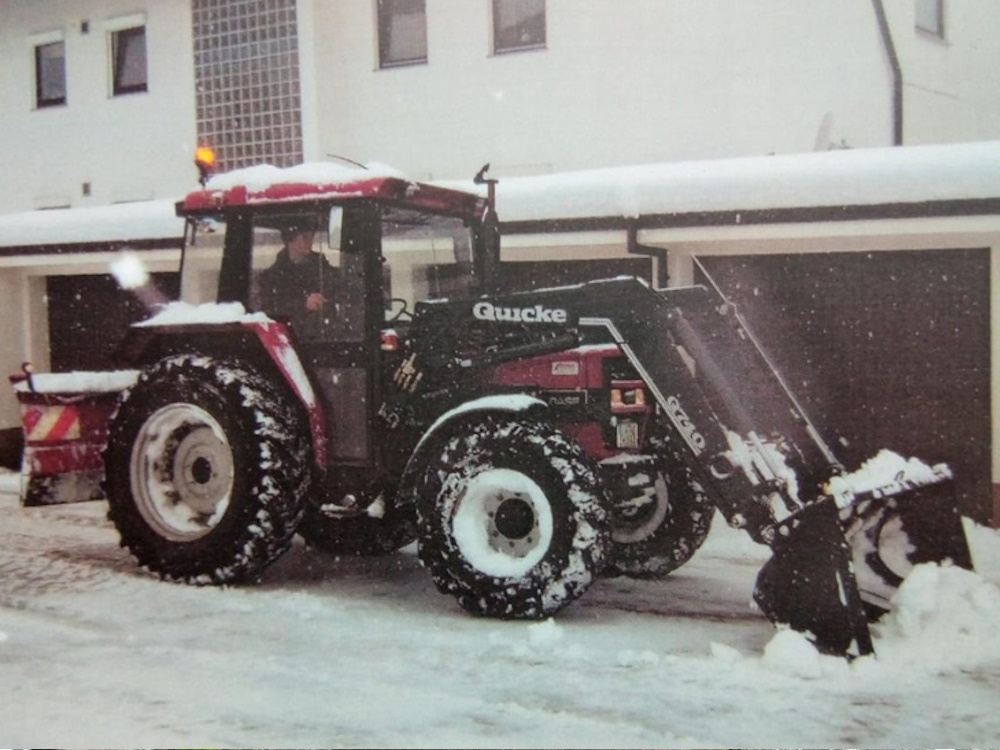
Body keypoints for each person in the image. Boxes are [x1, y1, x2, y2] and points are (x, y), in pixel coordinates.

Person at [256, 224, 339, 337]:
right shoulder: (271, 277)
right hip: (290, 338)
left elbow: (341, 289)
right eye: (304, 236)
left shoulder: (323, 268)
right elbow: (270, 309)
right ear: (290, 239)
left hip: (326, 336)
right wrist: (303, 304)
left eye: (311, 236)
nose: (309, 241)